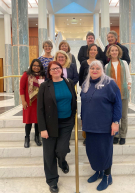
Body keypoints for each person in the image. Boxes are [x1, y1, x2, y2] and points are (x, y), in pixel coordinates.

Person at [81, 60, 122, 191]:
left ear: (102, 70)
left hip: (104, 125)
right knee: (92, 151)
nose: (94, 70)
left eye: (97, 68)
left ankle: (107, 176)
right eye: (92, 68)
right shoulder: (85, 84)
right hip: (90, 125)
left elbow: (118, 103)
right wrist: (83, 119)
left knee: (105, 152)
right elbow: (83, 104)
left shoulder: (110, 83)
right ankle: (98, 172)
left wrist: (116, 122)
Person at [37, 61, 77, 193]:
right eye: (52, 69)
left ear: (61, 69)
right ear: (49, 72)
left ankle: (62, 161)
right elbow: (40, 109)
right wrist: (42, 129)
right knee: (49, 154)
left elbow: (74, 100)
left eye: (58, 68)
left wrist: (73, 117)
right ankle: (52, 181)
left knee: (62, 149)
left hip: (67, 122)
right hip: (49, 124)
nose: (55, 70)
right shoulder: (44, 86)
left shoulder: (69, 82)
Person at [105, 44, 132, 145]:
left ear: (119, 52)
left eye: (116, 50)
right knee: (114, 116)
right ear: (109, 53)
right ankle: (115, 135)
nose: (114, 52)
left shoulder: (124, 63)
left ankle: (123, 135)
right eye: (112, 50)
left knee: (123, 116)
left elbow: (128, 77)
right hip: (111, 95)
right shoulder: (106, 66)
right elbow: (106, 81)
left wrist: (128, 86)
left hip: (123, 93)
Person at [20, 59, 45, 148]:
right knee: (29, 121)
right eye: (34, 65)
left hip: (40, 102)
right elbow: (21, 89)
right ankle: (27, 138)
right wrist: (23, 101)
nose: (36, 67)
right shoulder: (26, 75)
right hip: (29, 102)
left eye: (38, 66)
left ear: (40, 67)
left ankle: (37, 137)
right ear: (31, 66)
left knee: (38, 121)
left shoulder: (43, 76)